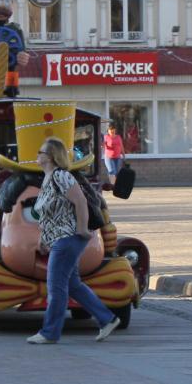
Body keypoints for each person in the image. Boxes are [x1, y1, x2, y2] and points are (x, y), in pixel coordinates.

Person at [27, 137, 121, 344]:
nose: (38, 155)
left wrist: (81, 228)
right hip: (59, 239)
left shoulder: (61, 176)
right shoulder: (48, 178)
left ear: (51, 157)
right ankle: (108, 319)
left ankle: (49, 333)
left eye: (41, 152)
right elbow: (49, 215)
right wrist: (43, 239)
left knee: (56, 288)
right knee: (73, 285)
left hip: (68, 238)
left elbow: (79, 201)